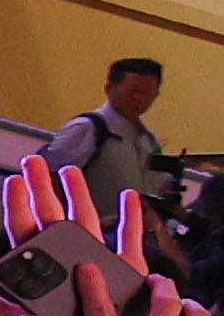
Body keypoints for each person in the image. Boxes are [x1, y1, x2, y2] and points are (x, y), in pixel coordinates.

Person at [37, 56, 167, 217]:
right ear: (109, 89)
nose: (140, 99)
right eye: (134, 91)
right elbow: (48, 177)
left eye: (148, 93)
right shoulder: (88, 128)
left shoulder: (149, 141)